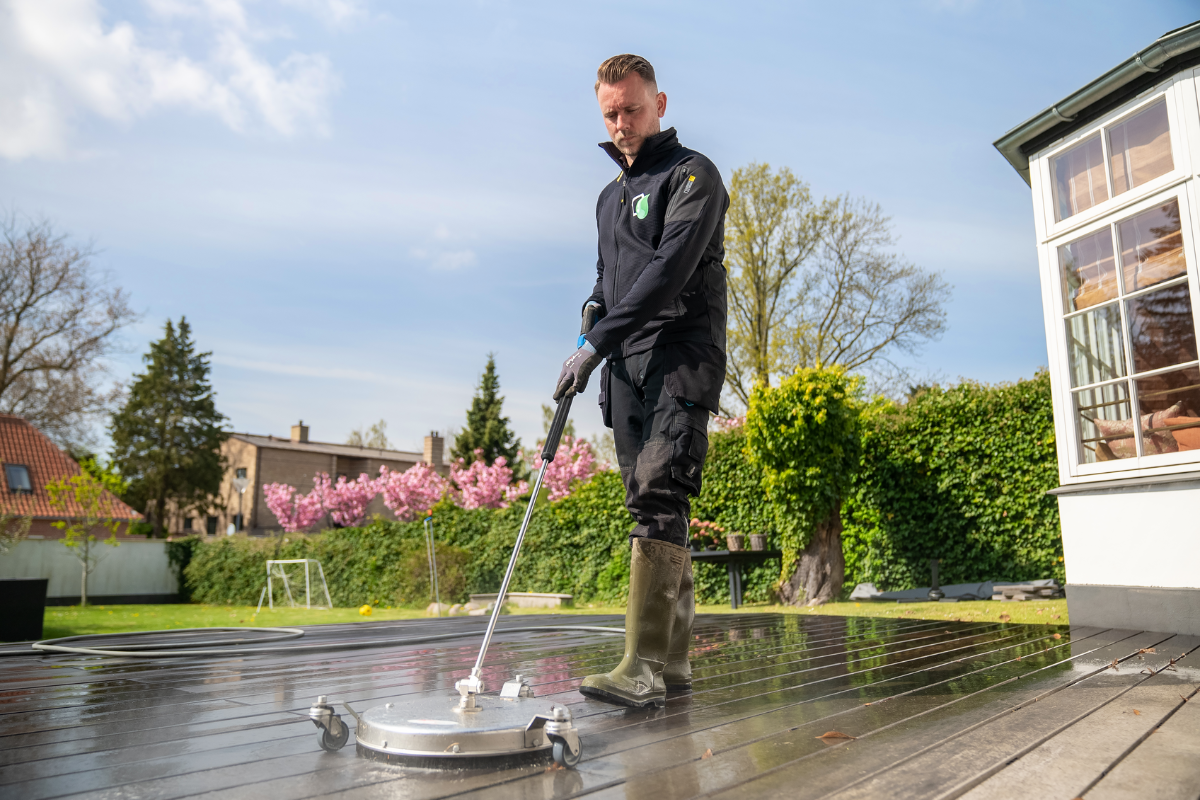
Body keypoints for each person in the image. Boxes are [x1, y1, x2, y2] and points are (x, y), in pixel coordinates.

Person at [554, 53, 728, 708]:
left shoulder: (694, 175)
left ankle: (641, 666)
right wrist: (587, 332)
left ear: (659, 103)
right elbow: (609, 285)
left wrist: (598, 340)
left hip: (682, 351)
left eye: (632, 108)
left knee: (661, 488)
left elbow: (669, 271)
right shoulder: (609, 198)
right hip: (624, 365)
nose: (622, 123)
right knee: (649, 502)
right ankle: (672, 665)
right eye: (610, 113)